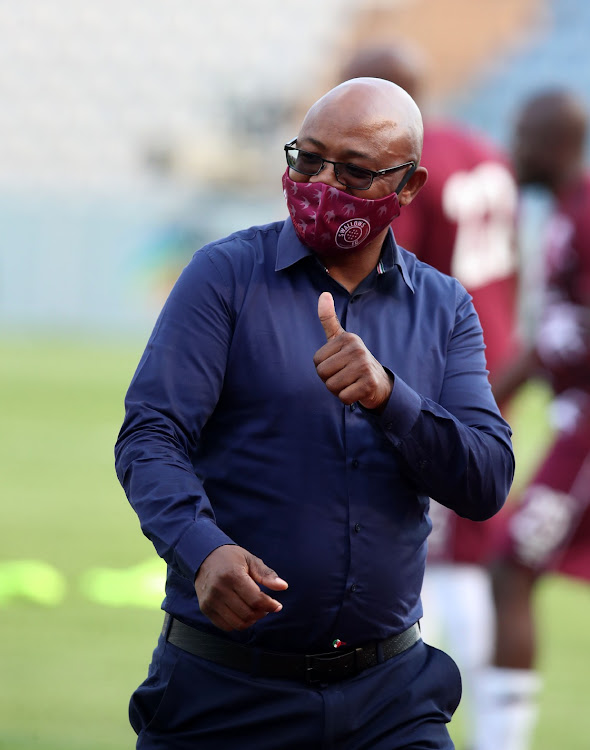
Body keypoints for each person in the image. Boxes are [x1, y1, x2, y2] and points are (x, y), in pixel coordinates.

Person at [115, 77, 514, 750]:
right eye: (309, 159)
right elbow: (151, 436)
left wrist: (392, 397)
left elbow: (486, 481)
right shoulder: (224, 276)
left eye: (355, 172)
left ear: (408, 188)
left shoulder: (444, 308)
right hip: (225, 691)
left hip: (391, 700)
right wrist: (201, 551)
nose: (322, 182)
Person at [339, 44, 520, 747]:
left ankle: (408, 714)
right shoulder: (483, 149)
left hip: (431, 366)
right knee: (468, 550)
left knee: (425, 549)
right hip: (492, 354)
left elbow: (384, 268)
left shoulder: (410, 164)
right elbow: (517, 265)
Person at [473, 89, 590, 750]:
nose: (512, 147)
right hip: (575, 426)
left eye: (520, 133)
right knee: (509, 568)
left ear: (550, 141)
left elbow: (567, 337)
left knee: (511, 566)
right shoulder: (567, 214)